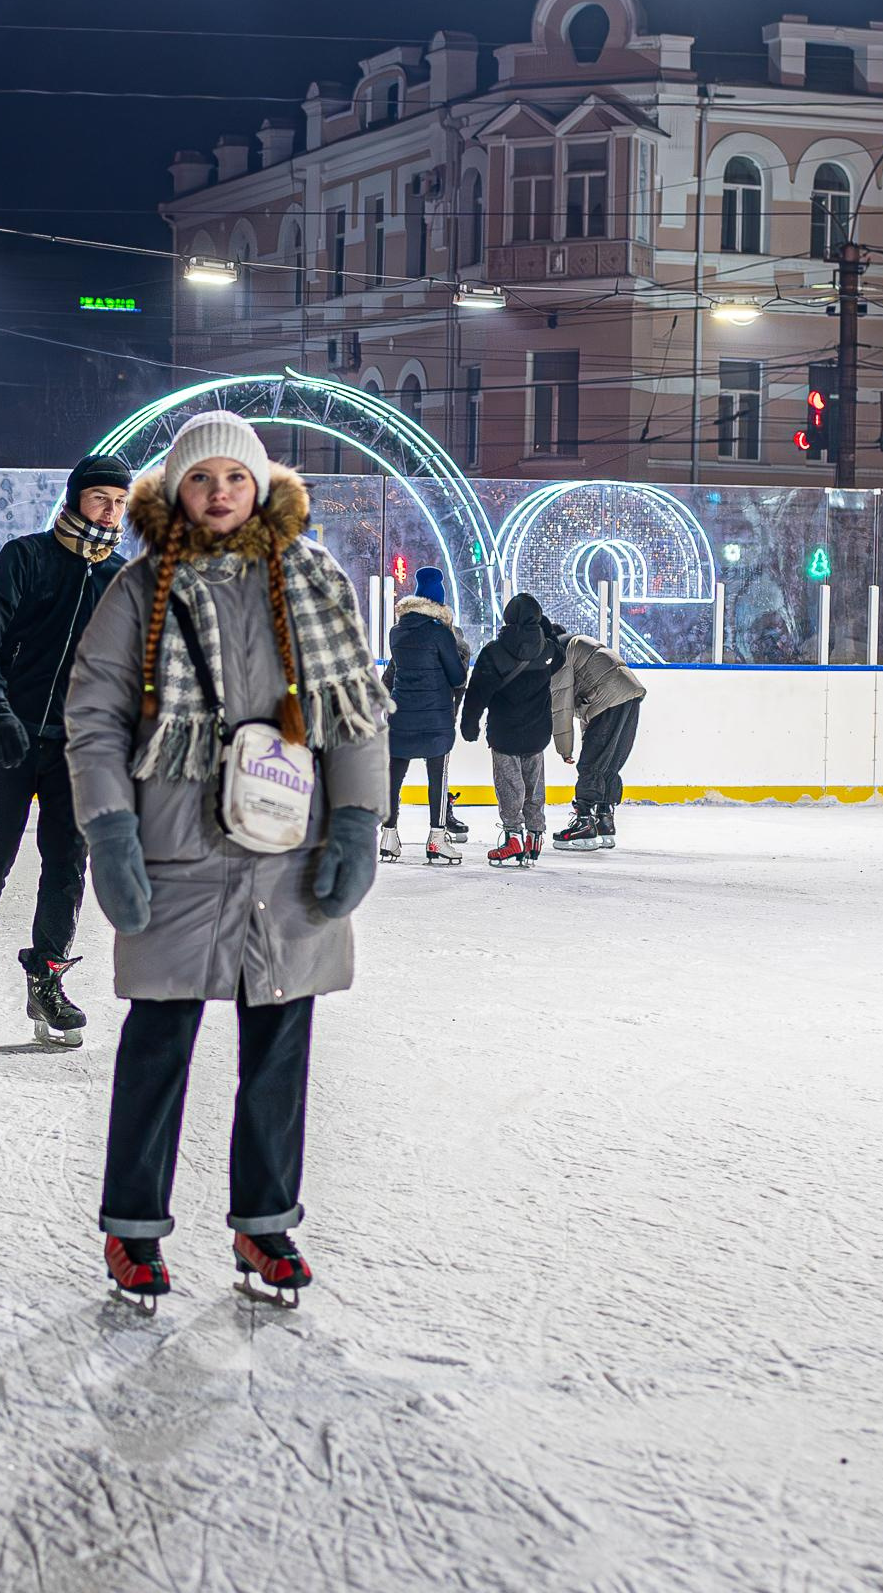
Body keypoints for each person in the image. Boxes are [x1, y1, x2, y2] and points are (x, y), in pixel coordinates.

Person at [63, 413, 390, 1309]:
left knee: (280, 1047)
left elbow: (357, 715)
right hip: (177, 850)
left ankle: (264, 1222)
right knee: (159, 1044)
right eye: (200, 479)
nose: (218, 494)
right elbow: (92, 723)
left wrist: (358, 822)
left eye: (234, 479)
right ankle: (133, 1231)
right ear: (175, 492)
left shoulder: (314, 579)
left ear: (260, 487)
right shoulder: (139, 591)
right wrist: (112, 834)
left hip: (288, 854)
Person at [0, 452, 133, 1046]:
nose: (111, 510)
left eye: (120, 502)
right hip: (9, 738)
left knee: (67, 863)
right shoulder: (25, 557)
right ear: (74, 499)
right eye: (101, 499)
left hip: (79, 748)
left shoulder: (120, 576)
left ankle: (46, 977)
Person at [460, 593, 565, 869]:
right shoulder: (548, 651)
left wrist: (469, 725)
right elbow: (561, 659)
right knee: (534, 786)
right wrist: (542, 631)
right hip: (537, 732)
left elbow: (477, 693)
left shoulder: (494, 652)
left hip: (505, 733)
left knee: (509, 786)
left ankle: (512, 838)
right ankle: (534, 836)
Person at [381, 565, 469, 867]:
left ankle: (388, 835)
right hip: (435, 721)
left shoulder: (397, 632)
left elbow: (392, 674)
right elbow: (457, 677)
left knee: (394, 777)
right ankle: (436, 838)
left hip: (401, 717)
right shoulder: (440, 634)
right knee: (437, 779)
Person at [550, 623, 649, 852]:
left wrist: (565, 750)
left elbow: (561, 706)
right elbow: (588, 705)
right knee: (609, 763)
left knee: (591, 765)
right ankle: (604, 820)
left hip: (609, 696)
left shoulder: (560, 652)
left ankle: (584, 822)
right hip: (629, 693)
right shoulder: (580, 643)